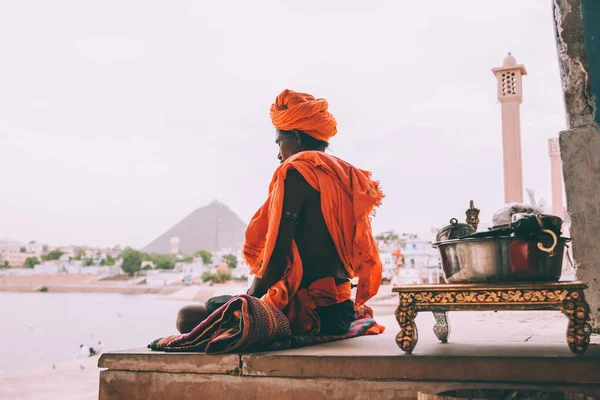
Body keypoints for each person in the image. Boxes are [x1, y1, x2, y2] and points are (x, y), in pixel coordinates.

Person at [176, 89, 384, 336]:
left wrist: (249, 298)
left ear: (295, 137)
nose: (278, 153)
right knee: (215, 305)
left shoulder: (297, 171)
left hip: (306, 313)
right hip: (340, 310)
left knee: (187, 317)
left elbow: (276, 254)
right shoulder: (347, 176)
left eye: (279, 142)